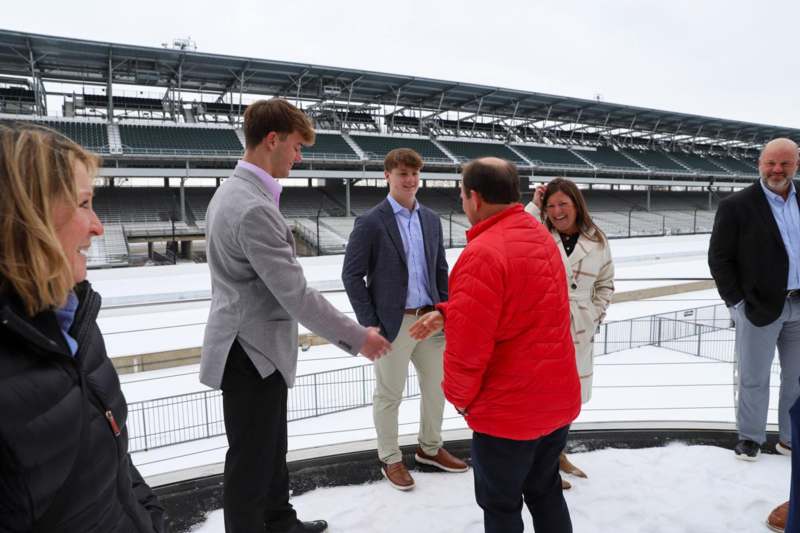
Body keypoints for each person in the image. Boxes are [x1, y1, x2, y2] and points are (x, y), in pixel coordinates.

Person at [199, 98, 391, 533]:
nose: (299, 157)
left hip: (252, 347)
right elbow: (296, 295)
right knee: (251, 462)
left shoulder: (233, 193)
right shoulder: (252, 208)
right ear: (273, 141)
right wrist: (359, 337)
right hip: (251, 352)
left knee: (269, 450)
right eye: (297, 147)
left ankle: (279, 521)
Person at [0, 125, 164, 532]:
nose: (98, 227)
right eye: (84, 204)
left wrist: (154, 520)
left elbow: (114, 460)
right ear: (28, 216)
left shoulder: (77, 321)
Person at [410, 157, 581, 533]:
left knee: (501, 506)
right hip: (554, 402)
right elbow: (519, 306)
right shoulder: (540, 236)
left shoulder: (482, 252)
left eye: (461, 194)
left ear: (474, 197)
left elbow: (467, 352)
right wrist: (449, 311)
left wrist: (462, 400)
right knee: (546, 491)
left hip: (507, 414)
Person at [342, 148, 467, 491]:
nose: (410, 181)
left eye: (414, 174)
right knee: (389, 395)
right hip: (393, 326)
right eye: (402, 174)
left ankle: (430, 448)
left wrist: (445, 310)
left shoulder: (430, 219)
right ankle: (390, 458)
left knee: (437, 388)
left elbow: (440, 269)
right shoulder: (370, 222)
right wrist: (371, 323)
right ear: (387, 176)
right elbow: (351, 276)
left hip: (429, 321)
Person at [708, 137, 800, 461]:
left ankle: (790, 438)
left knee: (797, 379)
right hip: (758, 307)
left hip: (799, 306)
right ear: (759, 164)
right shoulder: (736, 206)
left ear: (796, 164)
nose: (777, 169)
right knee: (754, 377)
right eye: (770, 163)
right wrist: (737, 304)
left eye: (785, 163)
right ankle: (750, 438)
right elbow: (719, 259)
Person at [525, 177, 615, 486]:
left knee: (569, 400)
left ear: (577, 204)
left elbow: (606, 283)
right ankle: (541, 466)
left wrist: (594, 313)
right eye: (550, 206)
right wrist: (534, 206)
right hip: (543, 328)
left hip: (579, 328)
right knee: (543, 398)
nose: (557, 211)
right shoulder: (538, 232)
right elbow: (516, 232)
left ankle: (556, 454)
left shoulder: (598, 240)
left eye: (563, 204)